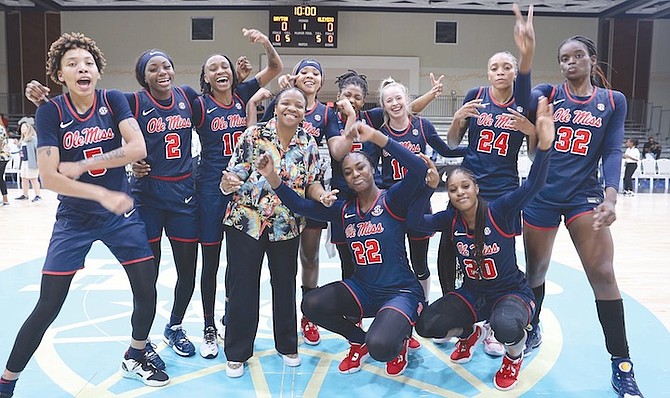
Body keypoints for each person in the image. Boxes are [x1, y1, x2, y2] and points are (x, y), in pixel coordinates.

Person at [0, 33, 168, 398]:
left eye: (89, 63)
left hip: (118, 216)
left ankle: (136, 354)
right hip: (75, 218)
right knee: (47, 305)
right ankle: (7, 381)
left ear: (98, 71)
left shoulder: (114, 100)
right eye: (73, 63)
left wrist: (89, 164)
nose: (82, 68)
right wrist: (101, 192)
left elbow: (137, 147)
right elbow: (48, 177)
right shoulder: (49, 112)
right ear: (59, 75)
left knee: (146, 290)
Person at [256, 120, 430, 377]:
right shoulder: (344, 210)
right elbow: (301, 206)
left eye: (360, 167)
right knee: (311, 304)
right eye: (348, 172)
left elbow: (418, 170)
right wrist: (272, 177)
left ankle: (400, 339)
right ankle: (358, 340)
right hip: (364, 290)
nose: (355, 174)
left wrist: (378, 137)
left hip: (399, 292)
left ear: (372, 169)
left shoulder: (392, 199)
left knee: (382, 347)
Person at [524, 35, 644, 397]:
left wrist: (611, 197)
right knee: (535, 272)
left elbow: (611, 150)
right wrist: (527, 57)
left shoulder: (612, 101)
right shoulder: (547, 93)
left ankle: (621, 363)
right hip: (541, 194)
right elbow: (521, 103)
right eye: (564, 58)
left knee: (604, 273)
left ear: (593, 60)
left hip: (583, 196)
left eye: (578, 56)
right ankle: (533, 327)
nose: (571, 62)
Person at [412, 95, 554, 391]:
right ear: (447, 194)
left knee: (506, 327)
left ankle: (513, 358)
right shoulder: (449, 219)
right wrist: (425, 189)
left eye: (465, 186)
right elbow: (414, 223)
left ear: (476, 187)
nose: (460, 192)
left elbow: (535, 184)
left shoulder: (501, 209)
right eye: (452, 189)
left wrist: (544, 147)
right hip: (474, 294)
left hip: (510, 292)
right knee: (427, 324)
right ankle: (470, 333)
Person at [438, 3, 535, 357]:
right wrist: (458, 118)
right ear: (487, 72)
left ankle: (500, 321)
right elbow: (451, 143)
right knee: (452, 246)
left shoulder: (525, 101)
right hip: (468, 187)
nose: (500, 72)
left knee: (499, 254)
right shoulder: (473, 97)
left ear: (514, 73)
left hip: (503, 191)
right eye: (494, 67)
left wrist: (530, 132)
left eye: (507, 67)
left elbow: (537, 153)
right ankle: (461, 310)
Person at [218, 87, 324, 378]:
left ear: (305, 111)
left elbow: (311, 182)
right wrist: (228, 183)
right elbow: (236, 172)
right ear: (276, 107)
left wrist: (321, 194)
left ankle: (288, 345)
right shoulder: (253, 135)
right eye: (286, 103)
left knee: (284, 285)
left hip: (286, 225)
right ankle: (237, 352)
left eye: (299, 105)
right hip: (246, 222)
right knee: (243, 287)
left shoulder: (309, 143)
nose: (292, 108)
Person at [192, 28, 282, 359]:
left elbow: (275, 67)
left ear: (232, 72)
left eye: (224, 66)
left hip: (244, 191)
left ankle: (231, 317)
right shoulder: (200, 106)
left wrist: (264, 43)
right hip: (211, 192)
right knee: (211, 262)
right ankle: (208, 326)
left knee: (239, 262)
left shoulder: (244, 93)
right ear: (205, 77)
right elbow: (169, 128)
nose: (220, 71)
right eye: (212, 67)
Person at [247, 58, 343, 347]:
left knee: (309, 257)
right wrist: (253, 105)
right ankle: (240, 318)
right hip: (270, 204)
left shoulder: (326, 114)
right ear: (295, 77)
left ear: (322, 81)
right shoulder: (281, 105)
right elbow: (255, 141)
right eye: (305, 72)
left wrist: (350, 125)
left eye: (316, 72)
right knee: (270, 267)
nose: (310, 76)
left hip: (307, 194)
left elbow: (336, 150)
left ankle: (308, 316)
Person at [376, 78, 466, 301]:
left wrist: (474, 150)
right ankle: (396, 303)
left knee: (419, 263)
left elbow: (445, 149)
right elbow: (370, 166)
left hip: (419, 203)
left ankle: (422, 304)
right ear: (383, 105)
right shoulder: (381, 133)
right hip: (392, 204)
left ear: (407, 100)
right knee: (394, 263)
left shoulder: (422, 126)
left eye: (398, 98)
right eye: (389, 100)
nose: (395, 103)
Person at [14, 118, 42, 202]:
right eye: (21, 128)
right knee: (24, 178)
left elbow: (38, 149)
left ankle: (38, 196)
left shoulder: (33, 138)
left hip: (32, 163)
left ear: (28, 128)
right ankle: (25, 195)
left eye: (24, 127)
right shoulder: (22, 140)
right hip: (24, 162)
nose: (22, 129)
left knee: (33, 179)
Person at [0, 122, 10, 205]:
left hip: (1, 156)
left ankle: (5, 199)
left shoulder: (0, 128)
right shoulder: (2, 128)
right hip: (4, 156)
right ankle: (5, 199)